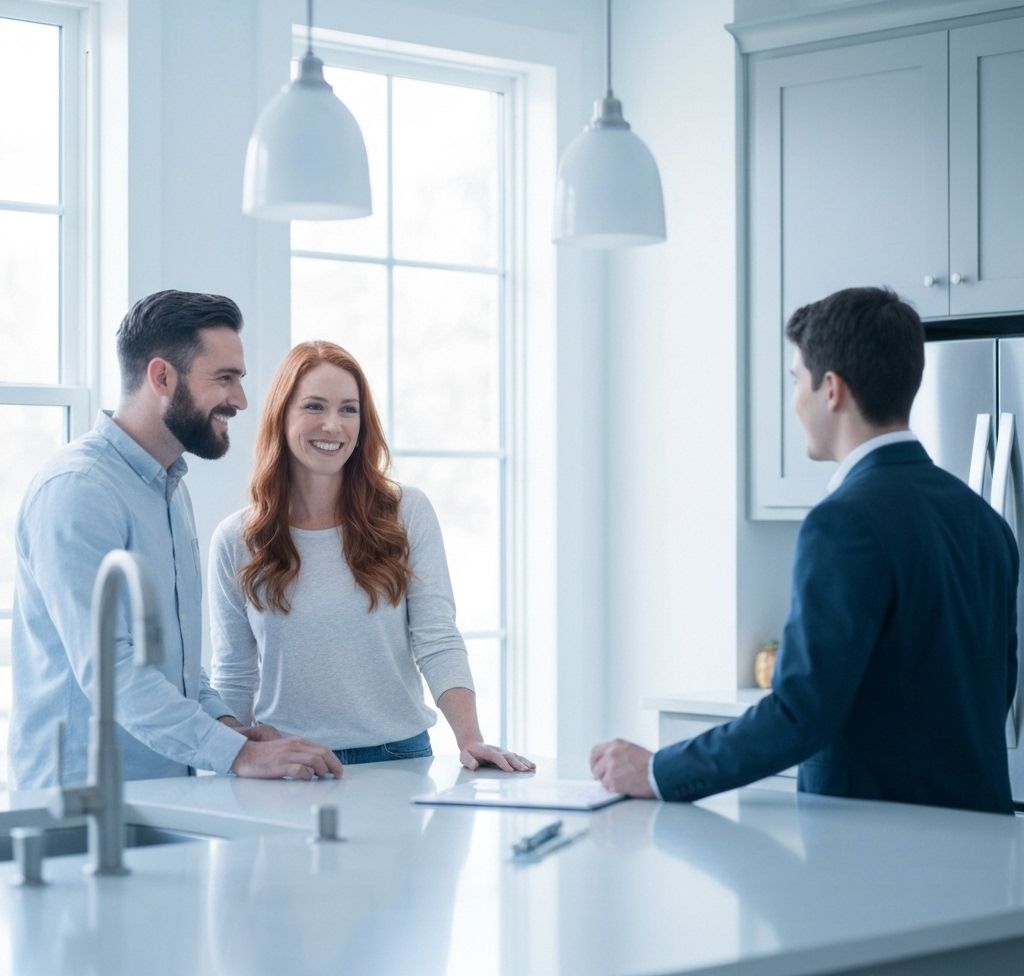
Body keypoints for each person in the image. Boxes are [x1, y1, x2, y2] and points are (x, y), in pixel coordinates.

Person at [591, 286, 1019, 814]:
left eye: (797, 381)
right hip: (983, 843)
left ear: (832, 389)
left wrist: (657, 770)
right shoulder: (985, 521)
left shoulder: (843, 521)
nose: (795, 401)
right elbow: (994, 694)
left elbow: (800, 714)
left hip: (879, 852)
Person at [8, 289, 341, 789]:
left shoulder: (169, 488)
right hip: (80, 804)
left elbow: (177, 668)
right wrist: (235, 756)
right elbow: (111, 671)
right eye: (224, 379)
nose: (241, 401)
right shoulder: (79, 491)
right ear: (162, 377)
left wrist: (230, 729)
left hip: (161, 792)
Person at [208, 340, 534, 774]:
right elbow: (233, 671)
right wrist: (232, 764)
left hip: (399, 758)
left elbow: (436, 636)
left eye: (348, 409)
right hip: (288, 766)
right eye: (314, 407)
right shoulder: (236, 538)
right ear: (281, 416)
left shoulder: (406, 513)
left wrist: (470, 740)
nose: (333, 425)